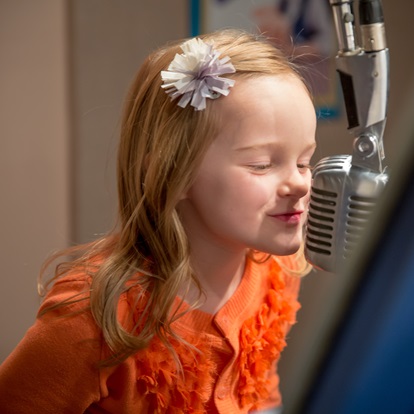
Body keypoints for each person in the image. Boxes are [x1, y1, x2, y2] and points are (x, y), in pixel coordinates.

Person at [0, 28, 316, 413]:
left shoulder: (278, 273)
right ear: (173, 173)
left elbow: (262, 397)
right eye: (262, 164)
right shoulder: (91, 319)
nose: (299, 183)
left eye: (304, 162)